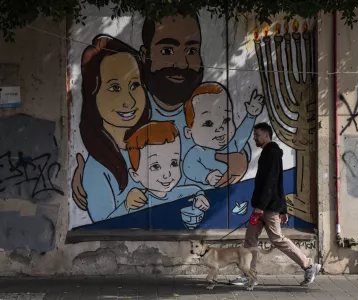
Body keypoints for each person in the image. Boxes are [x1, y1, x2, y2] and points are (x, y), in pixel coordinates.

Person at [71, 13, 251, 212]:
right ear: (144, 53)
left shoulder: (203, 107)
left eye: (191, 50)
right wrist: (92, 178)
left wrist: (243, 157)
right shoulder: (132, 114)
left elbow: (228, 135)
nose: (181, 63)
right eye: (167, 50)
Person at [230, 122, 321, 286]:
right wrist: (284, 209)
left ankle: (308, 265)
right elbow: (279, 183)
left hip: (266, 208)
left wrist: (262, 206)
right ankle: (249, 274)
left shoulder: (270, 153)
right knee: (250, 238)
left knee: (277, 239)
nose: (254, 138)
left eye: (257, 135)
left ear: (266, 135)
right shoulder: (270, 153)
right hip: (265, 206)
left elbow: (271, 182)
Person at [77, 35, 151, 222]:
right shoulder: (98, 167)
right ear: (93, 94)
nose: (129, 101)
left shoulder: (151, 144)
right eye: (114, 88)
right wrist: (126, 205)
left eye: (134, 85)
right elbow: (101, 223)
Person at [182, 82, 263, 189]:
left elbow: (242, 134)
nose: (220, 128)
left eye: (226, 120)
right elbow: (189, 167)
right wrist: (206, 176)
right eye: (208, 123)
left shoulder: (232, 145)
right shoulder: (197, 152)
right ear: (188, 132)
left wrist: (251, 116)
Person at [125, 120, 210, 213]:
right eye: (156, 166)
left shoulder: (177, 193)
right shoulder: (139, 200)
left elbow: (195, 190)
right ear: (134, 175)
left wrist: (199, 197)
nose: (167, 174)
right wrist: (127, 205)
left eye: (174, 163)